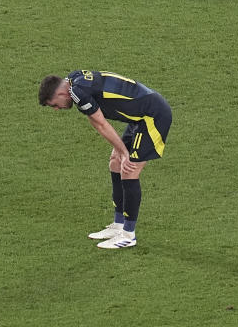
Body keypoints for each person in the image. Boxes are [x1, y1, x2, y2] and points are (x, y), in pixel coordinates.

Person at [38, 70, 173, 248]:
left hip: (153, 116)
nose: (57, 109)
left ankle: (128, 235)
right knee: (115, 162)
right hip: (139, 118)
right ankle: (118, 225)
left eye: (54, 104)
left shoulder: (77, 93)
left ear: (61, 94)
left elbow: (101, 124)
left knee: (129, 169)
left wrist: (125, 153)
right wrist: (120, 151)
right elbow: (95, 120)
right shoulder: (73, 80)